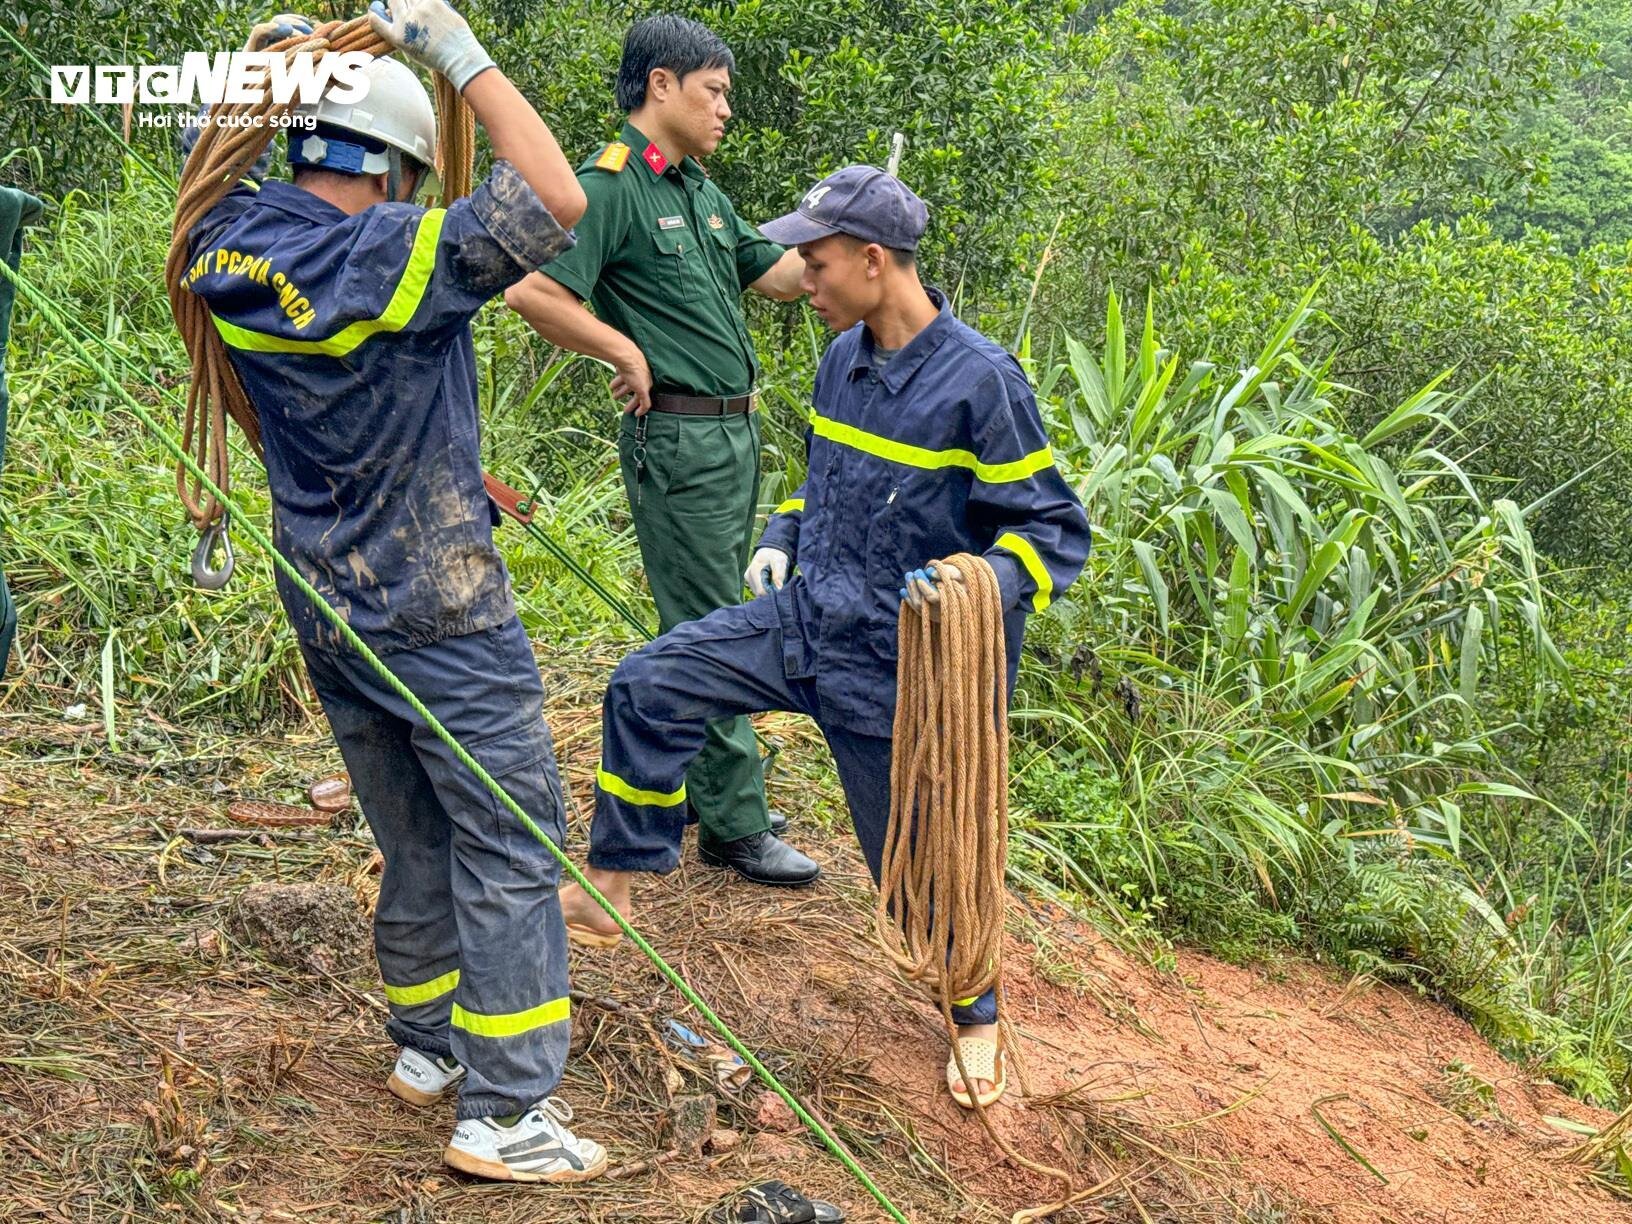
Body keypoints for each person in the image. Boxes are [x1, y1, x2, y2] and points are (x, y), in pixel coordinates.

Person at [179, 1, 606, 1183]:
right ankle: (508, 1110)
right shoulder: (385, 258)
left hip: (325, 599)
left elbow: (206, 149)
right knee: (514, 840)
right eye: (415, 170)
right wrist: (454, 52)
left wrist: (267, 65)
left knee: (412, 835)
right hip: (435, 600)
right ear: (389, 164)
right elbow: (555, 202)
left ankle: (426, 1048)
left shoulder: (225, 238)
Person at [556, 167, 1092, 1105]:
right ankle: (613, 886)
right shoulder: (840, 360)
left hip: (898, 671)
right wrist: (779, 536)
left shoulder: (982, 382)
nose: (804, 276)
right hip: (807, 620)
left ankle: (976, 1016)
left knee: (920, 878)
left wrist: (977, 581)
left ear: (875, 261)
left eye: (817, 259)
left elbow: (1052, 533)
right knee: (650, 683)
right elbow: (822, 481)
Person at [504, 14, 819, 889]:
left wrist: (846, 230)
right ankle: (734, 824)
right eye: (714, 91)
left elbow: (783, 277)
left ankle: (684, 783)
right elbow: (533, 291)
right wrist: (623, 351)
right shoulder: (610, 188)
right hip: (679, 438)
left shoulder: (697, 192)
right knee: (710, 625)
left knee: (708, 611)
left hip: (731, 435)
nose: (725, 110)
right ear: (661, 87)